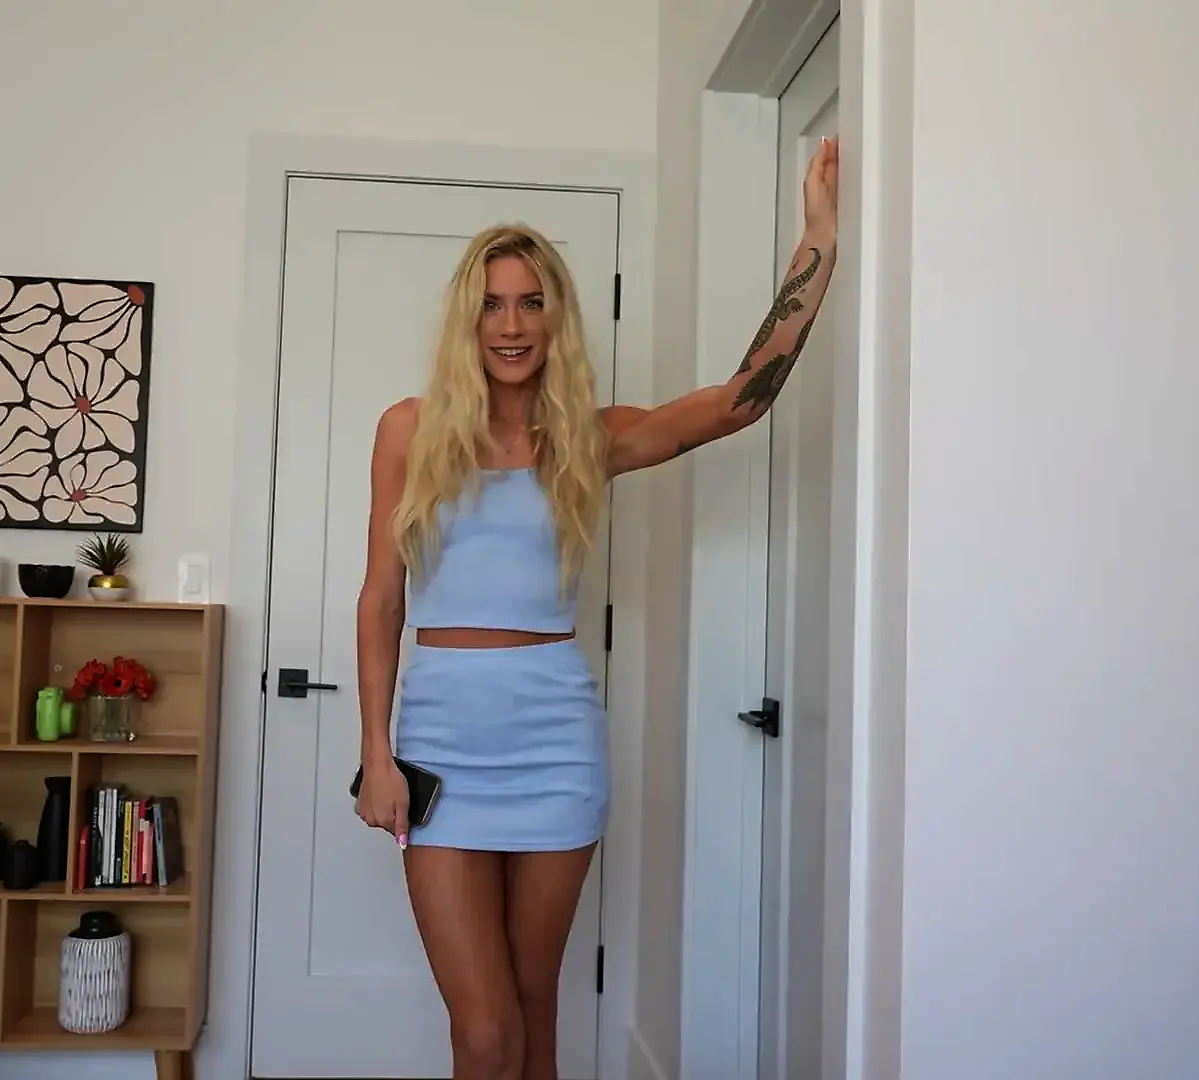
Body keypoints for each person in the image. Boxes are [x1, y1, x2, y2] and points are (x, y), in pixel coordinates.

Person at [354, 137, 841, 1080]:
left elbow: (740, 402)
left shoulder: (587, 437)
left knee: (535, 1009)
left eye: (532, 302)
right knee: (485, 1031)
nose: (511, 324)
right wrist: (376, 754)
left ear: (557, 320)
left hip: (555, 742)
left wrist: (817, 244)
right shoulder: (407, 430)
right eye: (492, 303)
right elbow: (381, 600)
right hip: (441, 745)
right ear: (466, 318)